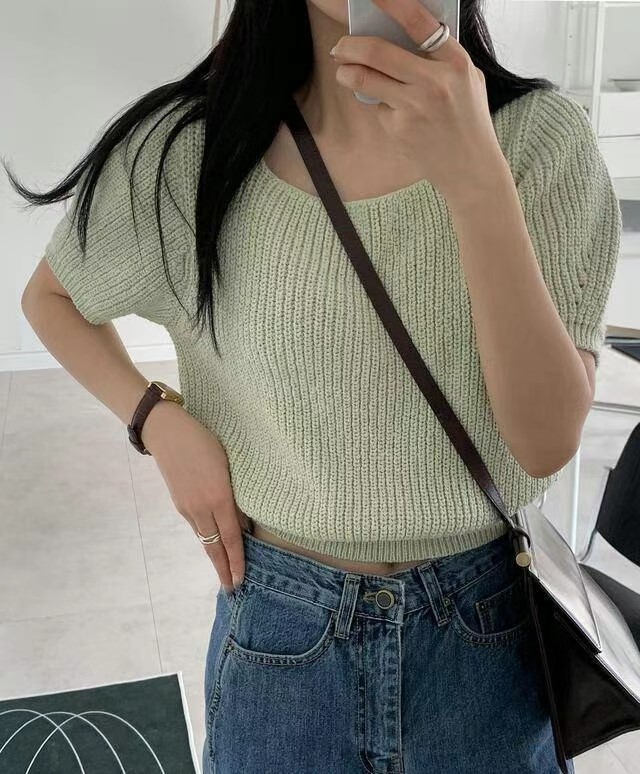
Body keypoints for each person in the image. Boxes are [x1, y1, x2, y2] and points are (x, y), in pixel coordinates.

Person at [15, 0, 621, 771]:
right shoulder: (193, 148)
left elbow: (543, 444)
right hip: (281, 634)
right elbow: (53, 299)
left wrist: (475, 177)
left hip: (485, 636)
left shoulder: (540, 141)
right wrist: (157, 421)